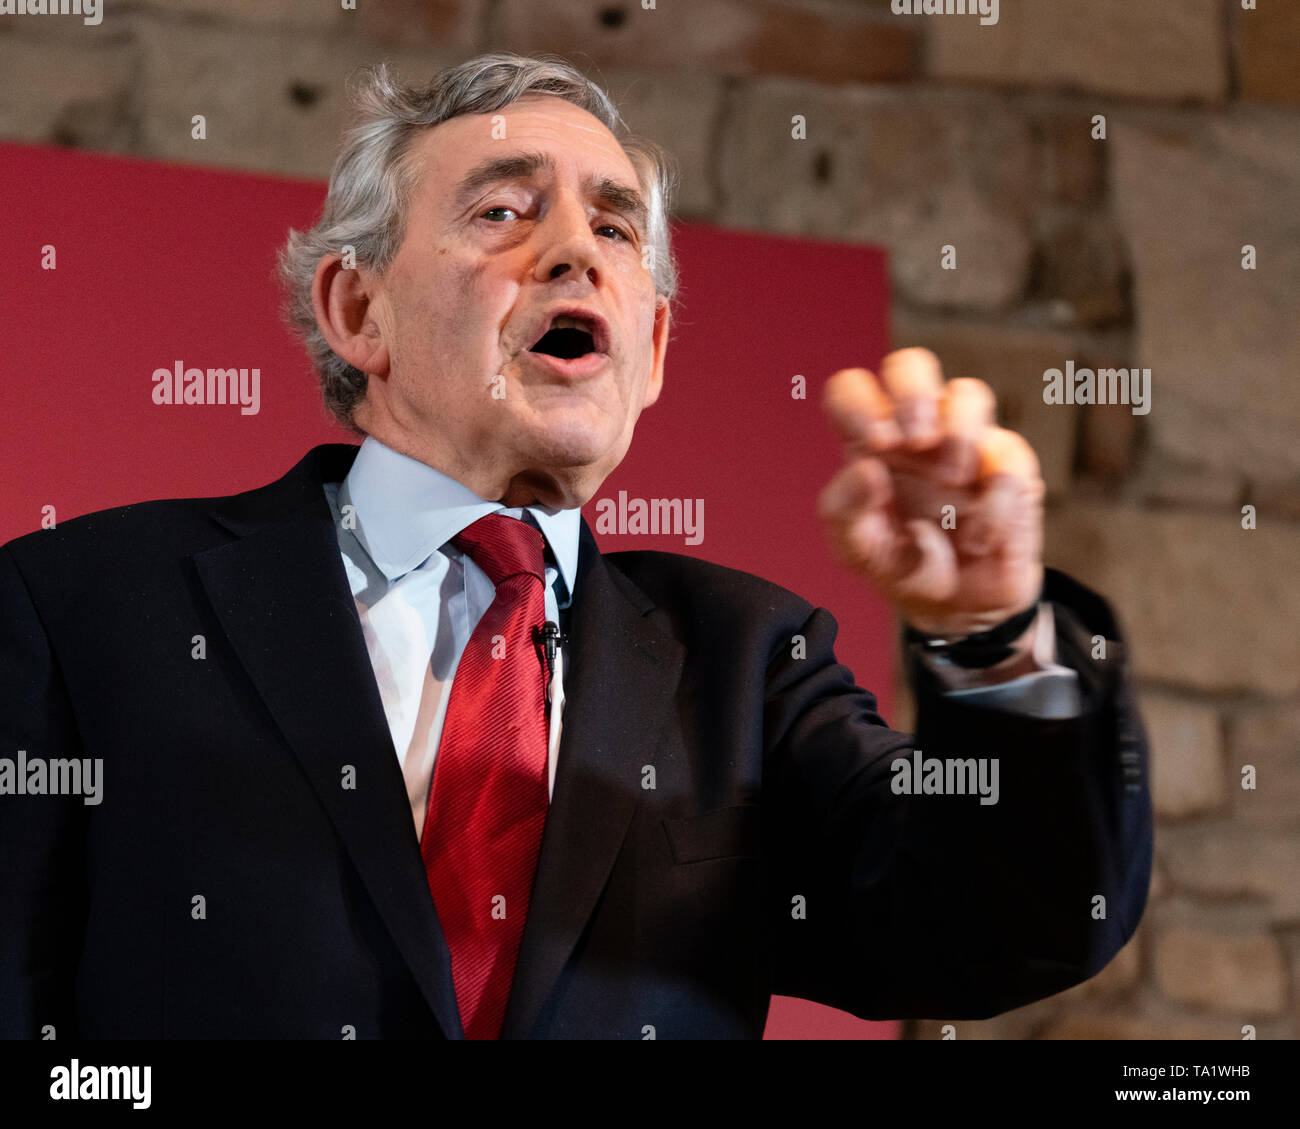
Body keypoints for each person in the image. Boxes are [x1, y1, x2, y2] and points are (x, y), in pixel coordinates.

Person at [0, 53, 1151, 1040]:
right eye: (503, 211)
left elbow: (995, 926)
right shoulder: (83, 609)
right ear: (359, 312)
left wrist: (994, 633)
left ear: (650, 349)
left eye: (613, 225)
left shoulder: (744, 662)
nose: (574, 251)